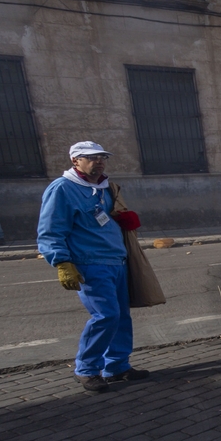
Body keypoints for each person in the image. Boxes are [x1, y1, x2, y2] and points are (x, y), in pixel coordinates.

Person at [36, 141, 150, 392]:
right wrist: (62, 261)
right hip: (90, 264)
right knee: (106, 315)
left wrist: (123, 219)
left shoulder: (104, 187)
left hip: (116, 261)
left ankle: (117, 366)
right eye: (91, 157)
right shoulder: (63, 189)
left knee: (120, 317)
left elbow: (108, 217)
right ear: (75, 161)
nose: (98, 161)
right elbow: (50, 230)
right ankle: (86, 369)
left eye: (102, 157)